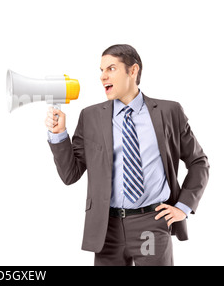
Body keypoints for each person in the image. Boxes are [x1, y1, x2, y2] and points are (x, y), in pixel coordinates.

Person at [45, 44, 209, 266]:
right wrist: (59, 135)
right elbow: (70, 174)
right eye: (101, 70)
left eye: (111, 69)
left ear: (133, 71)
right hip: (107, 228)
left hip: (151, 223)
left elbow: (199, 162)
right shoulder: (90, 117)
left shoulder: (169, 112)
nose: (103, 77)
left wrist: (183, 206)